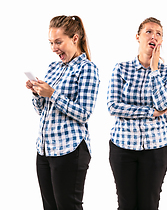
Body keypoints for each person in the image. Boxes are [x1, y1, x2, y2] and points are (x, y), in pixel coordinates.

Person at [25, 15, 100, 210]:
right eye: (51, 42)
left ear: (75, 38)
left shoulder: (88, 69)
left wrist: (53, 94)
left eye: (58, 42)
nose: (53, 48)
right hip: (44, 150)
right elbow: (42, 111)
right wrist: (37, 94)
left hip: (70, 150)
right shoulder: (53, 67)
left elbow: (84, 113)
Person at [107, 17, 167, 210]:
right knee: (126, 205)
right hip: (122, 148)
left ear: (161, 41)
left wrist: (154, 69)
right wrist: (151, 112)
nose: (153, 36)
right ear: (138, 37)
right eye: (149, 31)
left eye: (158, 34)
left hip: (156, 149)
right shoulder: (121, 69)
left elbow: (163, 103)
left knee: (149, 204)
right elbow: (113, 107)